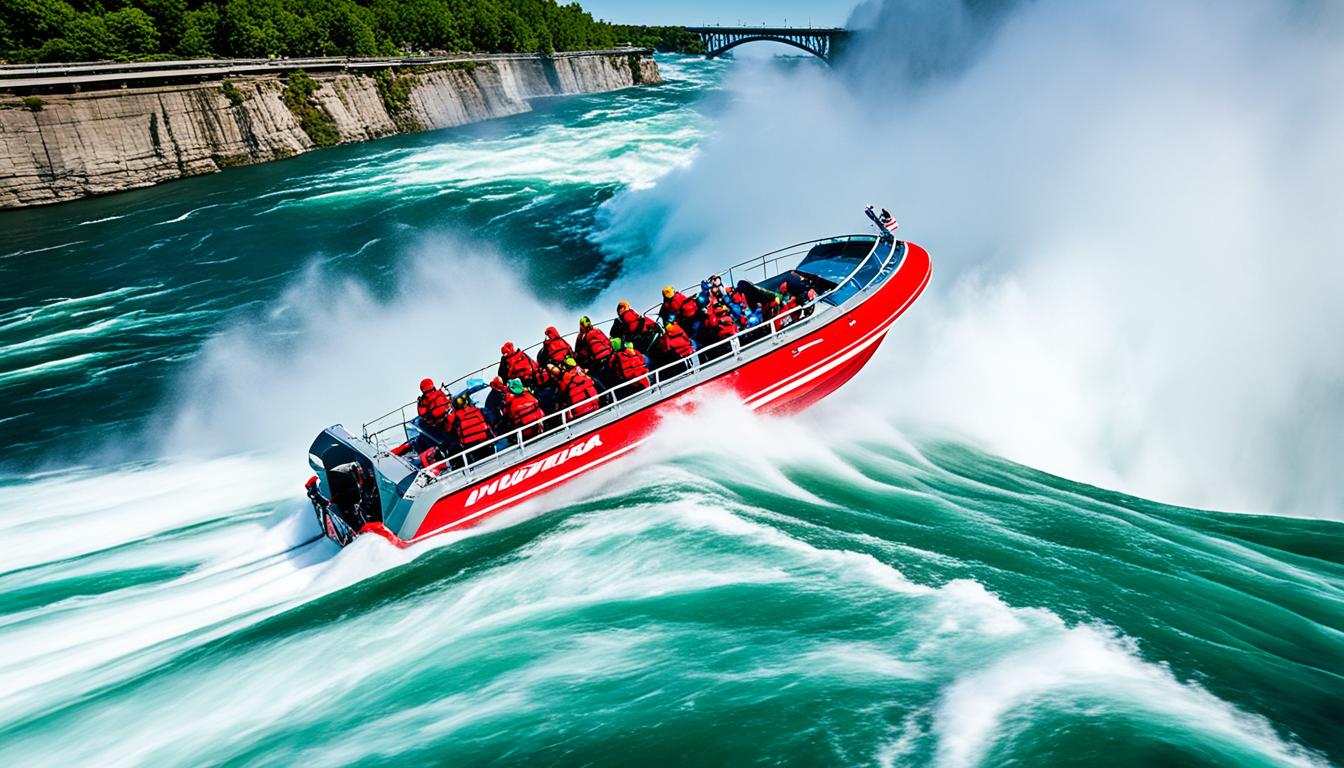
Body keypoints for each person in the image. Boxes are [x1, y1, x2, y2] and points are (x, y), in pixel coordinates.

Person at [448, 394, 495, 465]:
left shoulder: (455, 417)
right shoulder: (478, 411)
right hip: (486, 443)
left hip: (470, 447)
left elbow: (451, 433)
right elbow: (490, 422)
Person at [576, 316, 615, 381]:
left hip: (597, 360)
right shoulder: (597, 330)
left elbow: (584, 352)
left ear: (581, 326)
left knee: (591, 374)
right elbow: (607, 341)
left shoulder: (583, 336)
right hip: (609, 355)